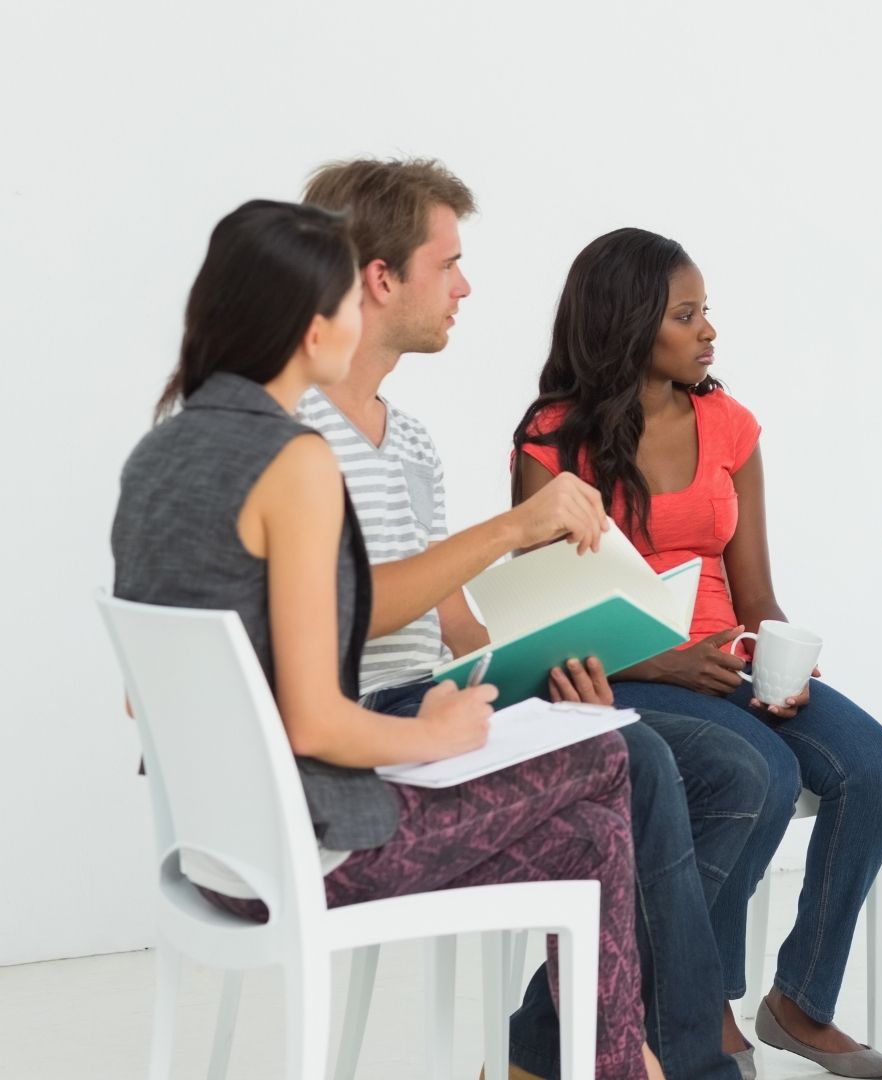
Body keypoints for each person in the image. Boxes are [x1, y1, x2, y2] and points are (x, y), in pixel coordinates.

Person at [111, 200, 655, 1078]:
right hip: (309, 855)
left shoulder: (160, 456)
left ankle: (617, 1066)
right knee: (602, 757)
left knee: (590, 840)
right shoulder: (294, 461)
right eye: (345, 300)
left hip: (214, 853)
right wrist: (433, 735)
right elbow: (314, 723)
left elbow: (147, 696)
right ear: (312, 325)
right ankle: (627, 1067)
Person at [299, 158, 757, 1080]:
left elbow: (459, 628)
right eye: (449, 263)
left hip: (434, 695)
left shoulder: (410, 439)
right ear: (383, 279)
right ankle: (671, 1058)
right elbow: (339, 619)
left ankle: (566, 1055)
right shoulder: (296, 434)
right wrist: (513, 527)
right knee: (640, 763)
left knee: (726, 767)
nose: (465, 285)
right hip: (373, 728)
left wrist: (546, 668)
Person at [513, 227, 882, 1080]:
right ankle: (704, 1006)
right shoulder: (554, 438)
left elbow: (756, 595)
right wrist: (664, 660)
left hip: (722, 662)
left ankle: (799, 999)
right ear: (627, 326)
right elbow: (542, 619)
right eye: (685, 315)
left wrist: (782, 663)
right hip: (611, 675)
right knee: (755, 769)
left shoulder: (729, 424)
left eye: (706, 312)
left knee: (872, 766)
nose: (708, 331)